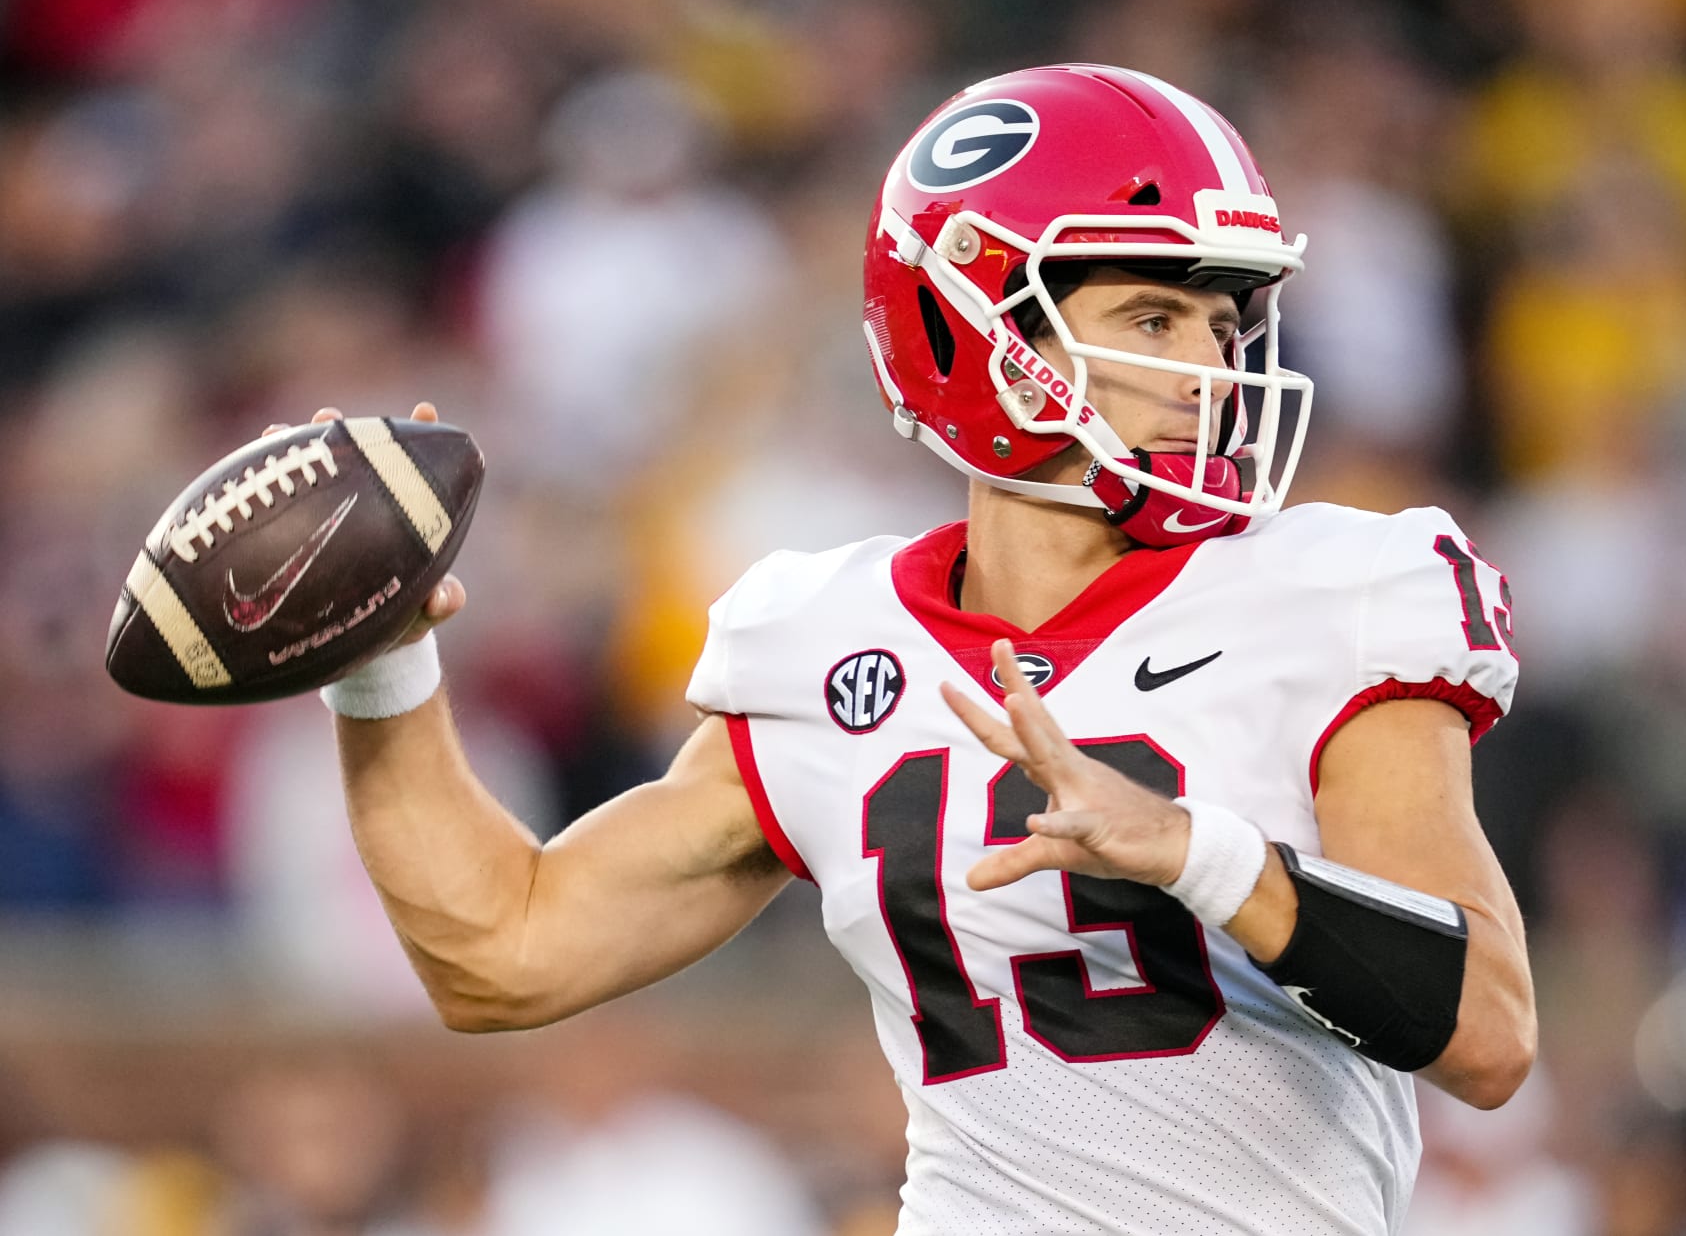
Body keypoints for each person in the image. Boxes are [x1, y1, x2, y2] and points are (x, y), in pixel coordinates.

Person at [304, 65, 1535, 1235]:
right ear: (970, 331)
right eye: (1153, 317)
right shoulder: (830, 643)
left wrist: (1202, 857)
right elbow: (504, 954)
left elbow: (1487, 1032)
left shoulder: (1329, 596)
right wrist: (383, 668)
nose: (1210, 369)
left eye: (1223, 322)